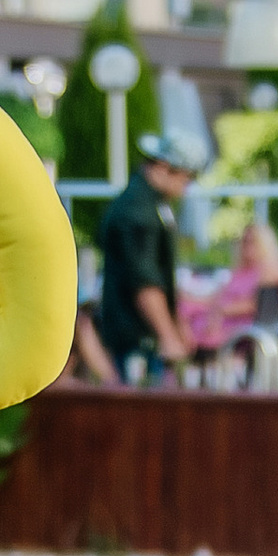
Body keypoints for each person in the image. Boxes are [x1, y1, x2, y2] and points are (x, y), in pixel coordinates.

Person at [95, 133, 196, 380]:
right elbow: (143, 280)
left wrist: (176, 322)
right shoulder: (137, 211)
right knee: (139, 396)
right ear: (163, 166)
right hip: (135, 336)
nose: (187, 186)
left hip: (141, 333)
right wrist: (168, 335)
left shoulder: (150, 203)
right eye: (187, 177)